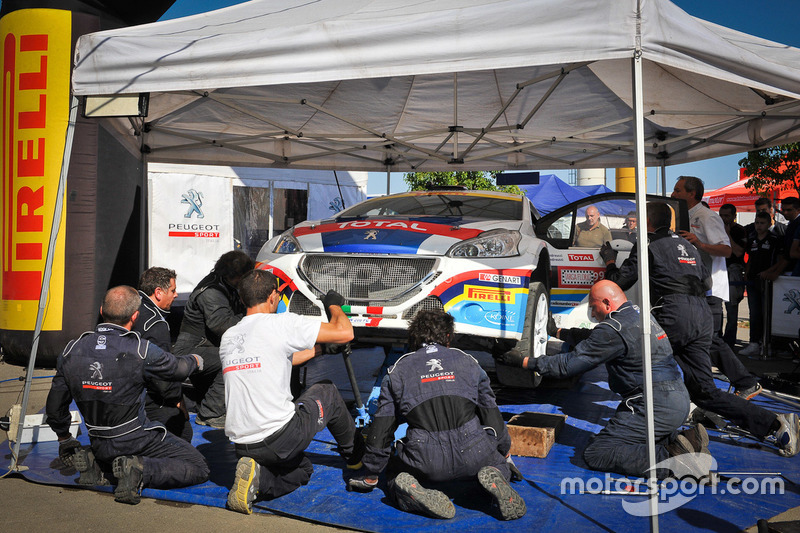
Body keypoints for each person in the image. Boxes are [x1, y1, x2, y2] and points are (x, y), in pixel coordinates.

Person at [599, 202, 799, 456]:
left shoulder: (648, 243)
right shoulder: (688, 245)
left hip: (674, 314)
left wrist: (609, 261)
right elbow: (705, 280)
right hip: (701, 314)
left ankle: (639, 429)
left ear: (647, 221)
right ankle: (775, 424)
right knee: (704, 391)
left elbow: (620, 281)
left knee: (634, 359)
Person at [499, 281, 708, 479]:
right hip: (677, 400)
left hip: (653, 404)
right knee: (642, 442)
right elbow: (595, 339)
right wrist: (559, 333)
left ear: (607, 303)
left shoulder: (613, 329)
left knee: (599, 452)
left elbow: (568, 365)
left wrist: (525, 362)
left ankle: (674, 460)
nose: (592, 313)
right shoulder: (638, 315)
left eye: (593, 306)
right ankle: (684, 441)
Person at [347, 309, 525, 521]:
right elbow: (492, 417)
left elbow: (382, 430)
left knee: (395, 473)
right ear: (448, 337)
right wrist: (504, 454)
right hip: (475, 451)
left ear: (413, 338)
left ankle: (410, 489)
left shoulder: (397, 372)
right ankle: (494, 478)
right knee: (496, 465)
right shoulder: (469, 362)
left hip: (425, 460)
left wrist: (372, 473)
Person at [46, 286, 209, 504]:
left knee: (131, 447)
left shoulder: (71, 349)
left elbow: (55, 405)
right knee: (198, 466)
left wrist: (65, 438)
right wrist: (196, 360)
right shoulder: (140, 350)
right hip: (135, 438)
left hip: (98, 440)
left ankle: (99, 465)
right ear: (134, 316)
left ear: (102, 311)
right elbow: (178, 369)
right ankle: (139, 469)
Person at [221, 269, 362, 514]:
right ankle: (358, 459)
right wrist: (334, 307)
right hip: (281, 438)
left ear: (243, 299)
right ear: (273, 296)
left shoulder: (230, 336)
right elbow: (344, 332)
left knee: (303, 469)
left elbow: (284, 357)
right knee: (326, 390)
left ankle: (258, 479)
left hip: (243, 444)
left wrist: (320, 350)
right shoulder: (281, 323)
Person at [671, 177, 762, 398]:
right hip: (694, 288)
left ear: (692, 194)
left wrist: (699, 244)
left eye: (677, 190)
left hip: (709, 289)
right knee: (694, 339)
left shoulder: (706, 217)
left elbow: (727, 250)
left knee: (708, 339)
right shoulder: (686, 215)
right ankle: (698, 389)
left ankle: (745, 382)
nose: (672, 194)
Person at [173, 250, 255, 428]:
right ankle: (210, 414)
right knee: (235, 359)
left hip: (207, 346)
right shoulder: (211, 292)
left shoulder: (227, 286)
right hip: (192, 349)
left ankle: (212, 405)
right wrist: (254, 314)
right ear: (236, 276)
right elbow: (223, 326)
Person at [132, 267, 191, 442]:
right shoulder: (156, 325)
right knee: (184, 432)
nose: (176, 295)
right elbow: (162, 374)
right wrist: (177, 400)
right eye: (172, 290)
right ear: (158, 292)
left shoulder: (131, 305)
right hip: (143, 395)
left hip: (117, 390)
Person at [740, 211, 784, 357]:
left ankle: (767, 344)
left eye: (762, 223)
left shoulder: (774, 239)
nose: (759, 226)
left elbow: (780, 260)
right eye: (757, 223)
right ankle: (753, 343)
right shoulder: (752, 239)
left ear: (769, 223)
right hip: (753, 280)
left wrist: (770, 272)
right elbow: (750, 259)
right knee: (754, 312)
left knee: (767, 313)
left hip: (768, 281)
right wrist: (747, 273)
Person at [718, 204, 748, 348]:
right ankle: (717, 341)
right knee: (716, 310)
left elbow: (738, 252)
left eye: (727, 216)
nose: (723, 219)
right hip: (718, 271)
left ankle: (729, 342)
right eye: (721, 215)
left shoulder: (739, 230)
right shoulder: (716, 229)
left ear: (734, 216)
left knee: (731, 309)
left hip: (732, 271)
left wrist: (727, 235)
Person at [761, 197, 800, 281]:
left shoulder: (796, 225)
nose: (785, 213)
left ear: (798, 210)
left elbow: (790, 254)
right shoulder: (791, 224)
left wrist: (776, 272)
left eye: (789, 210)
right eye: (783, 209)